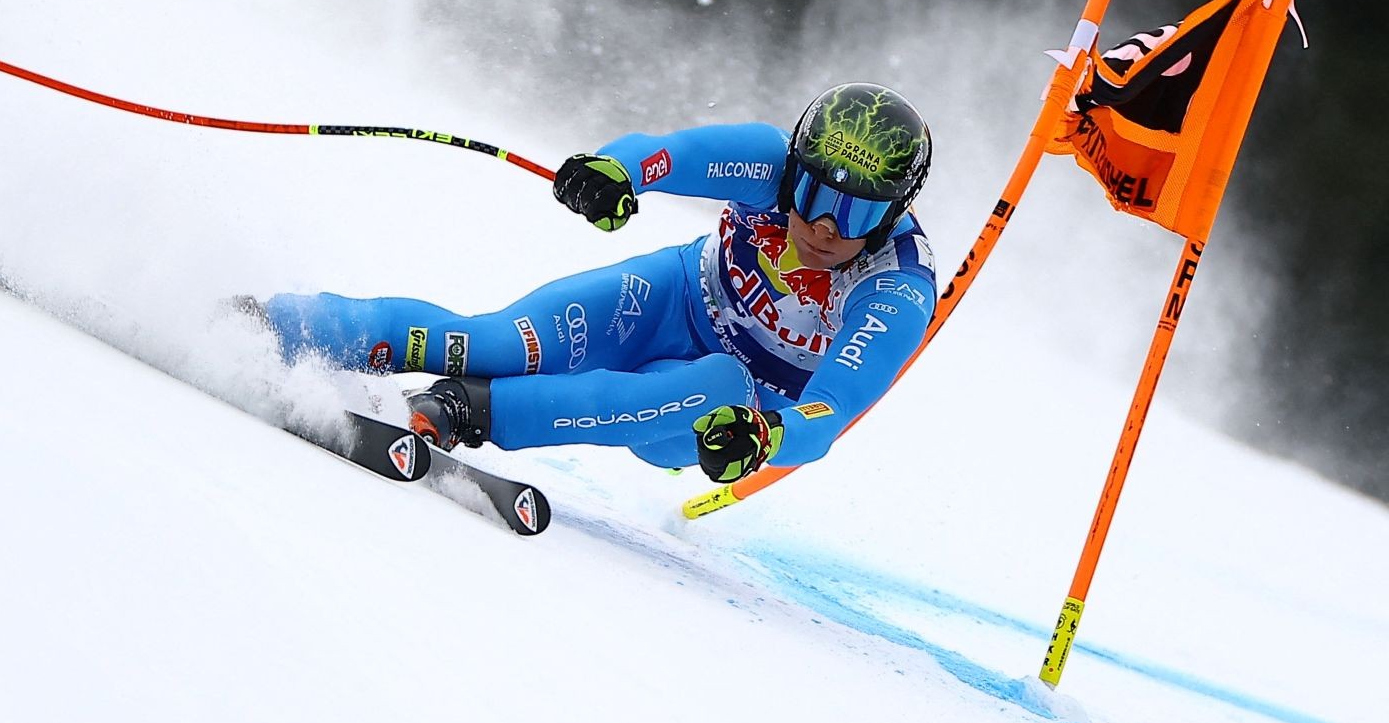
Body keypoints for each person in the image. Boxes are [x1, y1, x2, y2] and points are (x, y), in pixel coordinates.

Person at [258, 83, 937, 484]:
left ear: (895, 211)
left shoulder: (896, 285)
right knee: (494, 339)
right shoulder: (768, 163)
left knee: (721, 383)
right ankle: (283, 324)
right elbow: (661, 154)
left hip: (715, 410)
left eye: (855, 211)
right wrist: (612, 173)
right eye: (815, 192)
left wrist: (764, 438)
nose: (822, 224)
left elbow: (830, 413)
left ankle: (467, 409)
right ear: (796, 166)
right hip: (668, 297)